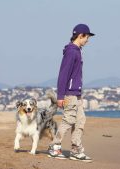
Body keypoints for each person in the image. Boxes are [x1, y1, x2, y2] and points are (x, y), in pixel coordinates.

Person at [48, 24, 95, 162]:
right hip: (69, 93)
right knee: (69, 120)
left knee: (80, 120)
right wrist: (60, 96)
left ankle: (75, 149)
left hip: (77, 93)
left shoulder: (77, 51)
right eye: (87, 37)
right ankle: (54, 146)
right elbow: (63, 75)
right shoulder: (71, 52)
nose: (88, 40)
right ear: (81, 36)